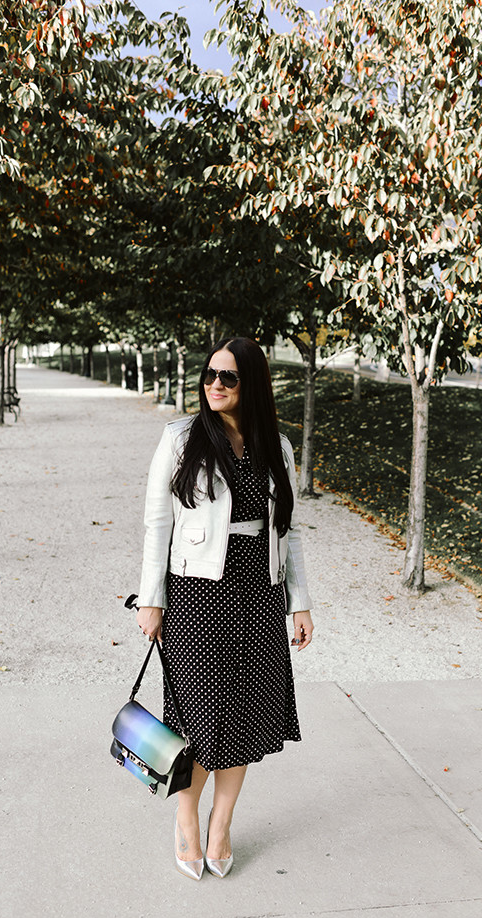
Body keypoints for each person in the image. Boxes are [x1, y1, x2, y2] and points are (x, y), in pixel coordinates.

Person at [136, 336, 313, 880]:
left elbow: (289, 530)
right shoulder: (181, 438)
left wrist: (299, 603)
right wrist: (151, 597)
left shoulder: (275, 448)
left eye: (229, 377)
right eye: (210, 374)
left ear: (252, 383)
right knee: (195, 719)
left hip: (258, 595)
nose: (215, 384)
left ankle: (221, 825)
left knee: (244, 718)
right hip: (195, 595)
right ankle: (186, 818)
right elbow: (157, 524)